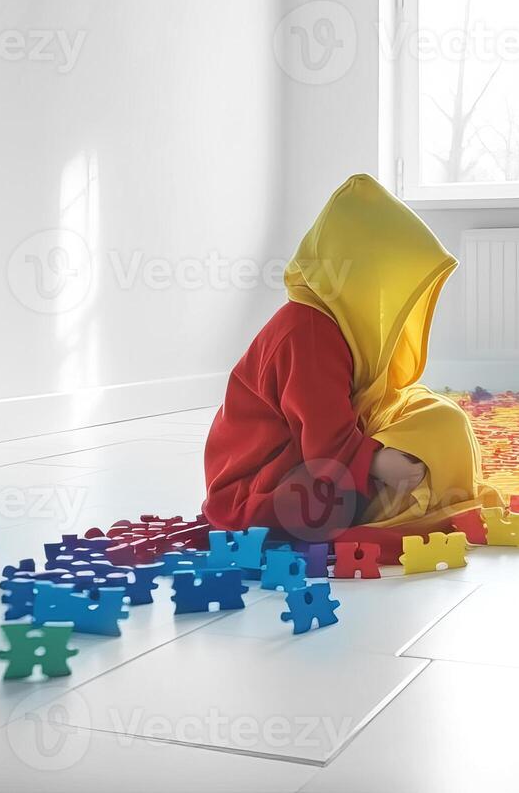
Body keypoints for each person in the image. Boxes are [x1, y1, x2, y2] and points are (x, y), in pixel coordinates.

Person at [202, 173, 497, 555]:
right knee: (434, 434)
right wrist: (377, 461)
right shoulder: (307, 332)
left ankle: (409, 493)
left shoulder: (336, 323)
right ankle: (397, 500)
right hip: (261, 489)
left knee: (440, 415)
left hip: (313, 457)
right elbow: (324, 437)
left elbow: (357, 405)